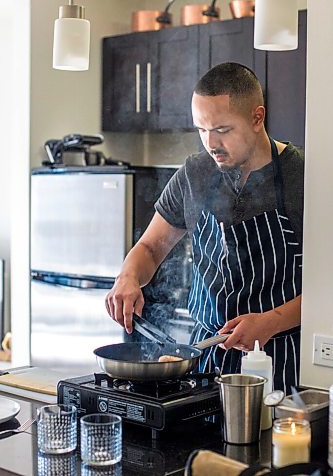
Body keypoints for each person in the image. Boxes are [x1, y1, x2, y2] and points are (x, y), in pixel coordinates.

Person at [105, 62, 304, 394]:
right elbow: (151, 249)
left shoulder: (303, 176)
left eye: (222, 130)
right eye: (201, 129)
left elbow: (328, 288)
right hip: (205, 356)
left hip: (279, 359)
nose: (210, 143)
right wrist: (127, 277)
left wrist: (271, 322)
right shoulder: (195, 173)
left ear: (257, 118)